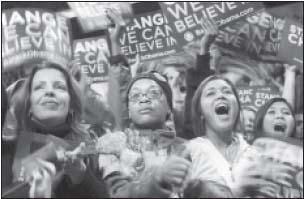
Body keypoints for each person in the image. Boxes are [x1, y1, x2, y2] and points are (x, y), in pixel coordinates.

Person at [5, 62, 108, 198]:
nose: (49, 91)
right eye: (39, 88)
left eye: (59, 87)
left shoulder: (91, 147)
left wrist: (82, 177)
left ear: (71, 104)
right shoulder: (8, 149)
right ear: (29, 104)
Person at [98, 71, 192, 198]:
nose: (144, 99)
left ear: (169, 107)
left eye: (153, 93)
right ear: (129, 111)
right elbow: (116, 194)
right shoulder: (112, 146)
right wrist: (158, 178)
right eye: (135, 96)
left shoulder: (188, 148)